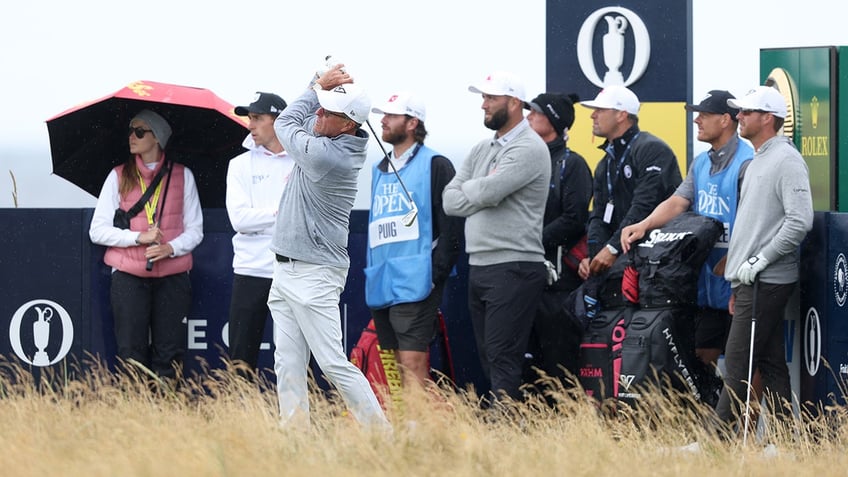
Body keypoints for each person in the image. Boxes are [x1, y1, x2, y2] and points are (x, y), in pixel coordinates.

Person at [269, 63, 389, 430]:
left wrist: (316, 86)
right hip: (286, 268)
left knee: (333, 363)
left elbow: (284, 124)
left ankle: (386, 439)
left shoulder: (329, 155)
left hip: (315, 273)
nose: (319, 113)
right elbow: (306, 116)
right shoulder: (328, 132)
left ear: (349, 125)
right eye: (321, 105)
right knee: (287, 362)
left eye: (329, 111)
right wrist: (319, 86)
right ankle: (295, 443)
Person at [620, 90, 753, 372]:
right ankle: (713, 416)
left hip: (739, 277)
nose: (697, 121)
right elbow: (679, 201)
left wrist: (738, 257)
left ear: (726, 120)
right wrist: (644, 224)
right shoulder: (701, 162)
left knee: (746, 365)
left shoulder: (748, 162)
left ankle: (746, 419)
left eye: (704, 115)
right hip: (705, 281)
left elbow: (758, 218)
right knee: (700, 358)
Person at [443, 71, 550, 403]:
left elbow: (489, 191)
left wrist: (476, 189)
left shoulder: (530, 146)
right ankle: (507, 431)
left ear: (514, 102)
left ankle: (506, 433)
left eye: (491, 98)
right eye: (483, 98)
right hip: (483, 265)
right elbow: (450, 200)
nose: (484, 105)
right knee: (491, 359)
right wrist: (480, 190)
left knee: (503, 359)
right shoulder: (481, 148)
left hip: (514, 266)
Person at [714, 86, 813, 430]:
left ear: (767, 118)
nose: (738, 117)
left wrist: (759, 261)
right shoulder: (757, 159)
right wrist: (738, 281)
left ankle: (718, 441)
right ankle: (785, 439)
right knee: (771, 365)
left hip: (767, 281)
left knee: (738, 363)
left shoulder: (786, 160)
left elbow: (800, 219)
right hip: (751, 282)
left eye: (746, 112)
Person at [89, 109, 203, 379]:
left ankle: (166, 412)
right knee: (131, 352)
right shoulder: (117, 175)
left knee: (170, 351)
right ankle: (135, 415)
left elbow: (196, 230)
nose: (132, 136)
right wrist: (137, 238)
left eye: (140, 131)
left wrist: (169, 249)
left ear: (157, 138)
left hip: (173, 277)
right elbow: (97, 230)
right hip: (128, 276)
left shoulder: (183, 176)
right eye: (131, 130)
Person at [365, 91, 462, 389]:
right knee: (394, 361)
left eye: (391, 116)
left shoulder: (437, 164)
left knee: (412, 360)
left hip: (418, 279)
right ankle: (407, 425)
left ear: (411, 123)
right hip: (383, 279)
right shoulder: (379, 169)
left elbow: (452, 227)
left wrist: (435, 274)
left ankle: (420, 430)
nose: (383, 120)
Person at [523, 92, 592, 390]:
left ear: (552, 120)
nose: (527, 118)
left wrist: (529, 240)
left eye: (535, 113)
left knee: (559, 366)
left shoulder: (572, 164)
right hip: (525, 280)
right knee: (527, 366)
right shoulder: (523, 160)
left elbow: (574, 219)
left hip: (558, 286)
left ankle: (566, 429)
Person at [577, 85, 682, 279]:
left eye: (600, 110)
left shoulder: (651, 149)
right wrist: (594, 256)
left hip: (654, 264)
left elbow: (644, 206)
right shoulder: (605, 162)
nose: (593, 116)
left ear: (621, 115)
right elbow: (599, 216)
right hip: (621, 260)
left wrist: (612, 248)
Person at [225, 92, 293, 374]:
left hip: (292, 269)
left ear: (278, 121)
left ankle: (296, 417)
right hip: (251, 269)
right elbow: (240, 219)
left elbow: (305, 218)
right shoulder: (239, 164)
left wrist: (264, 218)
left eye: (257, 118)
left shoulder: (302, 161)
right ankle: (242, 417)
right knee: (241, 356)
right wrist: (280, 215)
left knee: (292, 354)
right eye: (249, 118)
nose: (250, 124)